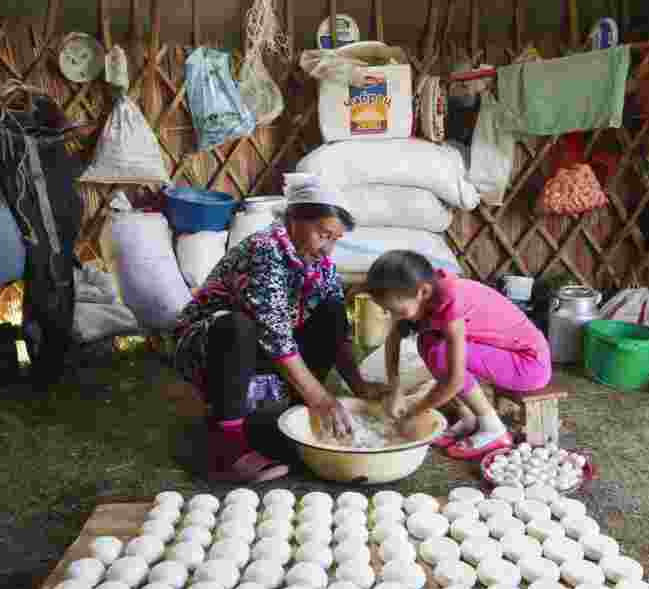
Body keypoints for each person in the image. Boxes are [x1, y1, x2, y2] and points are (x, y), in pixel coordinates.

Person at [168, 173, 387, 482]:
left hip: (261, 346)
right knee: (236, 326)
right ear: (295, 218)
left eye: (335, 240)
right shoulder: (265, 250)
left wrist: (359, 386)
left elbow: (337, 332)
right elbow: (274, 333)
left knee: (332, 310)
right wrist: (322, 397)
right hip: (211, 346)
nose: (328, 249)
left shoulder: (319, 262)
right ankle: (227, 449)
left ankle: (295, 423)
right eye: (323, 234)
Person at [366, 250, 551, 461]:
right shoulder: (418, 287)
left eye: (397, 310)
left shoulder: (451, 299)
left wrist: (413, 413)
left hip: (529, 365)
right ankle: (469, 417)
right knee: (428, 342)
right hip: (503, 354)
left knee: (439, 352)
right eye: (388, 311)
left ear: (423, 292)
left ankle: (494, 429)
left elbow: (455, 381)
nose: (394, 317)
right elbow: (393, 339)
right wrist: (395, 389)